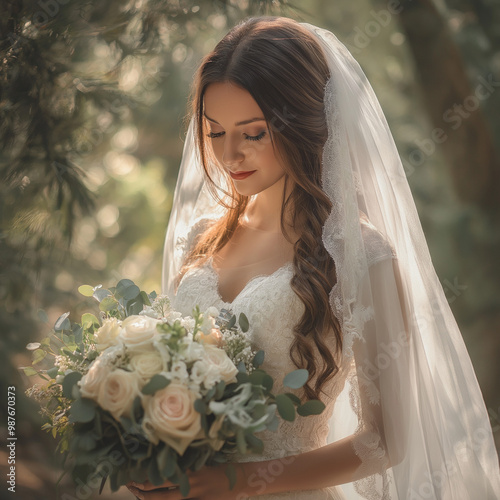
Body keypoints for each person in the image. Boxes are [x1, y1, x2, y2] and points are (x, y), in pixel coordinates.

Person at [127, 16, 500, 500]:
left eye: (254, 132)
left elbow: (386, 441)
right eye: (215, 132)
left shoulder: (363, 257)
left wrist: (231, 482)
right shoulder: (203, 237)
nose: (229, 153)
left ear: (304, 120)